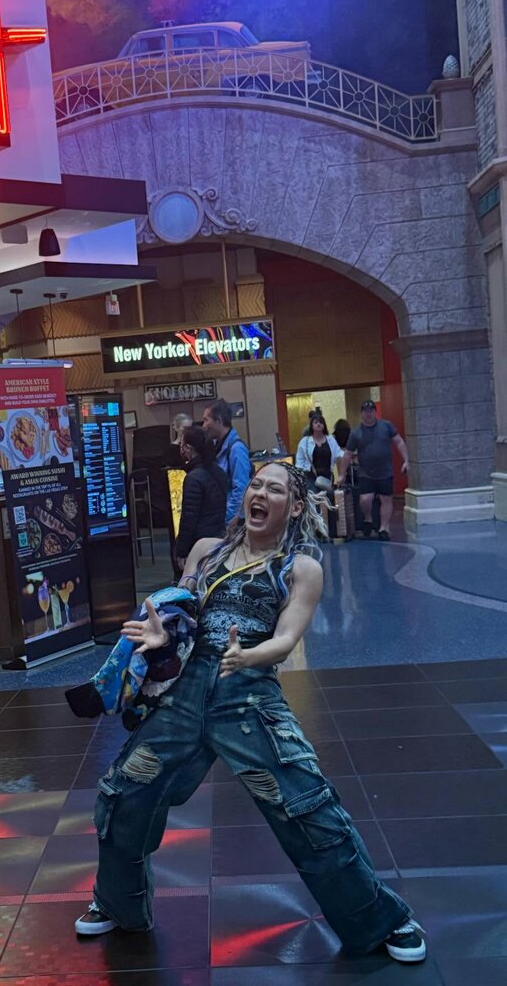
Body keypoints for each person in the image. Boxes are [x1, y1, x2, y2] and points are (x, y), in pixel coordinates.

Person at [74, 461, 426, 965]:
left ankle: (381, 920)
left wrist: (248, 656)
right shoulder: (207, 550)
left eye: (274, 489)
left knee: (307, 807)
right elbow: (180, 611)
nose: (259, 493)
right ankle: (117, 903)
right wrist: (161, 635)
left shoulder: (301, 568)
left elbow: (286, 638)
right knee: (124, 795)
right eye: (256, 485)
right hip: (182, 696)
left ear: (295, 507)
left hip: (248, 698)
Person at [337, 401, 408, 541]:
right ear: (361, 413)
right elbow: (347, 454)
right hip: (366, 472)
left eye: (371, 411)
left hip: (385, 471)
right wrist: (341, 474)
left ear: (375, 412)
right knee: (365, 499)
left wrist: (406, 460)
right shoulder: (356, 433)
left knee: (386, 499)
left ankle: (383, 528)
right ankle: (368, 518)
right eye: (365, 411)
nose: (368, 414)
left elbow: (399, 442)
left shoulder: (386, 426)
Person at [174, 425, 228, 567]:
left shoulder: (193, 478)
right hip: (219, 538)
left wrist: (182, 551)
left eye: (182, 445)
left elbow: (189, 519)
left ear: (188, 448)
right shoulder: (219, 471)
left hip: (199, 544)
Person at [202, 398, 251, 524]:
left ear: (218, 421)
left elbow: (241, 489)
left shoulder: (236, 449)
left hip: (233, 522)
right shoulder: (217, 446)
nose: (204, 426)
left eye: (206, 420)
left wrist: (226, 520)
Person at [295, 412, 343, 490]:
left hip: (327, 476)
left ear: (324, 425)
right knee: (314, 496)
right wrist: (299, 478)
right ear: (311, 425)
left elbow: (339, 454)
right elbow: (299, 462)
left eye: (321, 422)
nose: (318, 424)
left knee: (328, 496)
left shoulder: (331, 440)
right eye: (316, 422)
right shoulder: (305, 441)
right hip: (310, 476)